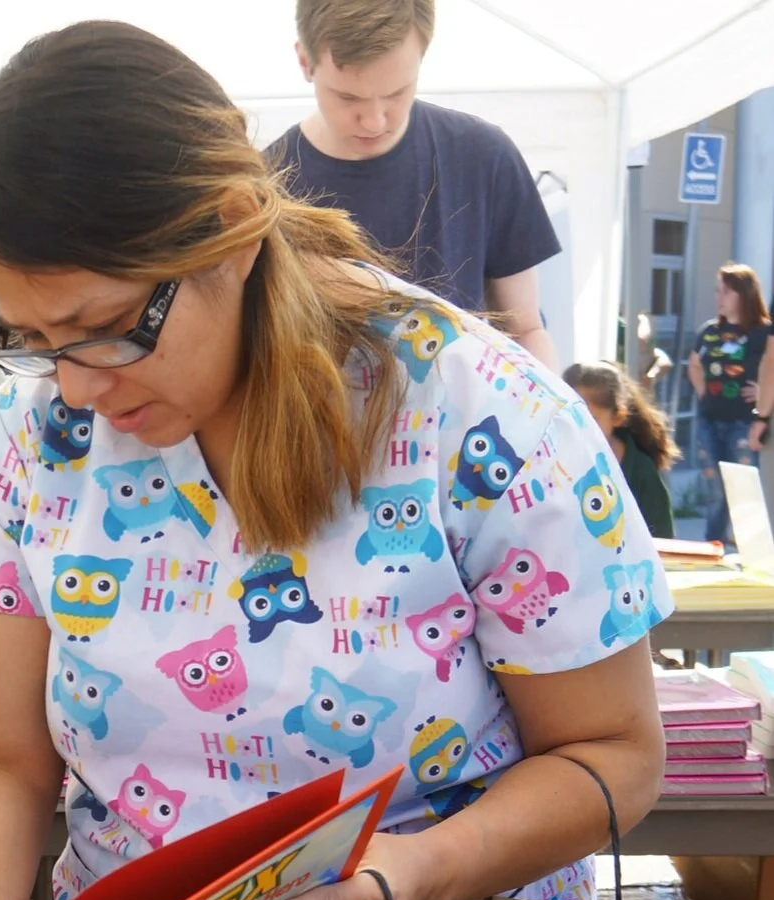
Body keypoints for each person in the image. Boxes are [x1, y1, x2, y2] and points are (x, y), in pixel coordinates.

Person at [0, 22, 667, 900]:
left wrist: (415, 876)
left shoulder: (468, 404)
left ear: (231, 235)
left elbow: (613, 753)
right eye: (33, 338)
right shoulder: (26, 438)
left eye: (104, 327)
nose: (77, 385)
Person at [267, 0, 561, 367]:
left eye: (396, 93)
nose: (374, 121)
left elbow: (526, 332)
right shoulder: (265, 191)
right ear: (304, 62)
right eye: (348, 97)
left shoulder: (485, 156)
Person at [687, 264, 774, 546]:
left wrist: (763, 400)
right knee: (715, 489)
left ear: (744, 294)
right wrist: (703, 395)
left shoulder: (763, 331)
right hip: (709, 420)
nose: (719, 297)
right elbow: (694, 365)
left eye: (726, 291)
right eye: (717, 290)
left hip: (744, 422)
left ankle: (748, 549)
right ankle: (714, 545)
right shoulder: (709, 330)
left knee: (744, 490)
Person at [563, 361, 678, 539]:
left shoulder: (641, 469)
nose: (578, 428)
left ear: (618, 417)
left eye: (590, 419)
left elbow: (663, 541)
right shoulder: (551, 462)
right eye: (569, 417)